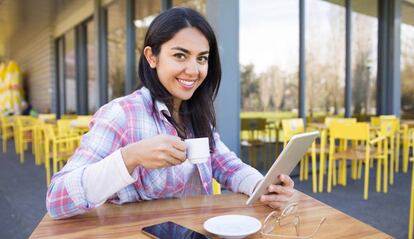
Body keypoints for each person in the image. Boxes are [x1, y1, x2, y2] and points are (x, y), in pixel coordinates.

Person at [46, 7, 294, 219]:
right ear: (151, 57)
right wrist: (130, 157)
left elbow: (227, 167)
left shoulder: (196, 115)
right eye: (180, 55)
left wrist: (263, 187)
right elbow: (57, 200)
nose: (193, 69)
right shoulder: (122, 114)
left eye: (202, 58)